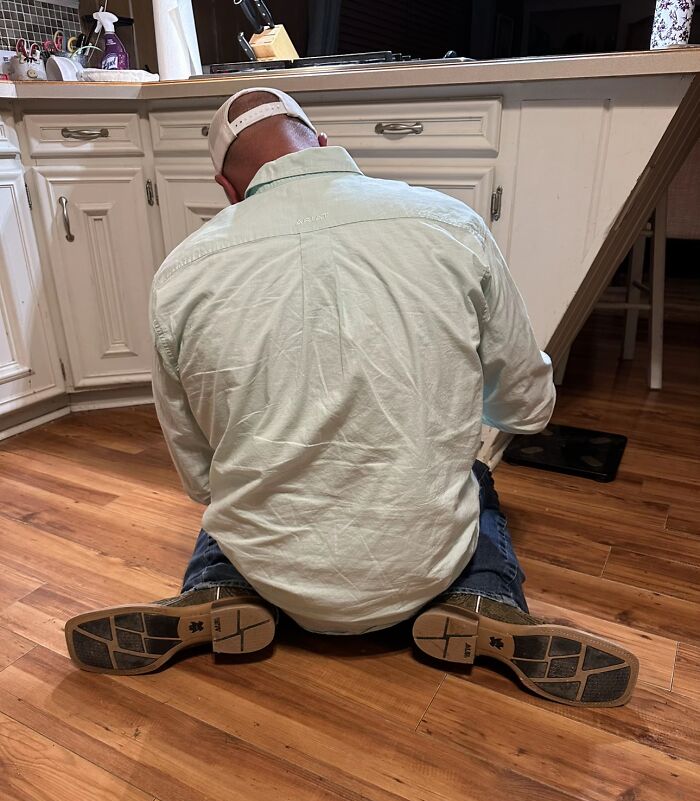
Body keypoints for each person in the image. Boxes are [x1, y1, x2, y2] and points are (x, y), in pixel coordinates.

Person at [65, 88, 638, 707]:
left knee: (225, 508)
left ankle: (216, 590)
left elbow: (200, 476)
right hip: (425, 568)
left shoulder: (181, 272)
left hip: (273, 575)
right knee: (474, 476)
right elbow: (527, 410)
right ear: (325, 146)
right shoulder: (450, 224)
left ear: (227, 190)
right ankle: (485, 600)